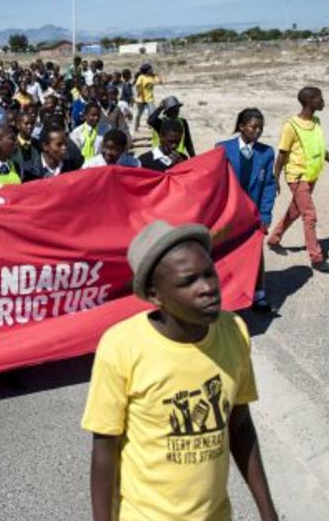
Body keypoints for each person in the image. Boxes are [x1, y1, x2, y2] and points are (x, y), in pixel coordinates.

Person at [83, 220, 278, 521]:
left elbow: (240, 427)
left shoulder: (234, 332)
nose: (209, 288)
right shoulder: (121, 347)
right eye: (189, 281)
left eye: (209, 273)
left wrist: (268, 512)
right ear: (155, 295)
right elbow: (104, 449)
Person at [268, 87, 329, 274]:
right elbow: (282, 155)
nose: (323, 101)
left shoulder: (316, 121)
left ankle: (274, 239)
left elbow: (321, 150)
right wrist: (276, 178)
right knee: (309, 215)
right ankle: (316, 258)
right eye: (319, 98)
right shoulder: (291, 126)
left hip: (311, 176)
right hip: (297, 177)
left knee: (296, 210)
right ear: (309, 102)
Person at [217, 109, 277, 312]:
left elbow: (269, 185)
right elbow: (216, 180)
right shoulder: (223, 148)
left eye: (260, 127)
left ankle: (259, 294)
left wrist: (266, 214)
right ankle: (227, 294)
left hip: (253, 212)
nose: (258, 131)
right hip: (229, 211)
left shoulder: (267, 152)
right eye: (253, 127)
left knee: (256, 251)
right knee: (226, 251)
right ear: (242, 127)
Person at [133, 63, 161, 132]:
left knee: (152, 113)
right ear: (147, 70)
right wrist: (139, 93)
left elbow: (159, 82)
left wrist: (155, 75)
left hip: (149, 98)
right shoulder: (141, 77)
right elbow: (138, 85)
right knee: (139, 113)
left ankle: (150, 125)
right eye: (150, 69)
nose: (152, 69)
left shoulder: (152, 77)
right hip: (141, 99)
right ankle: (136, 126)